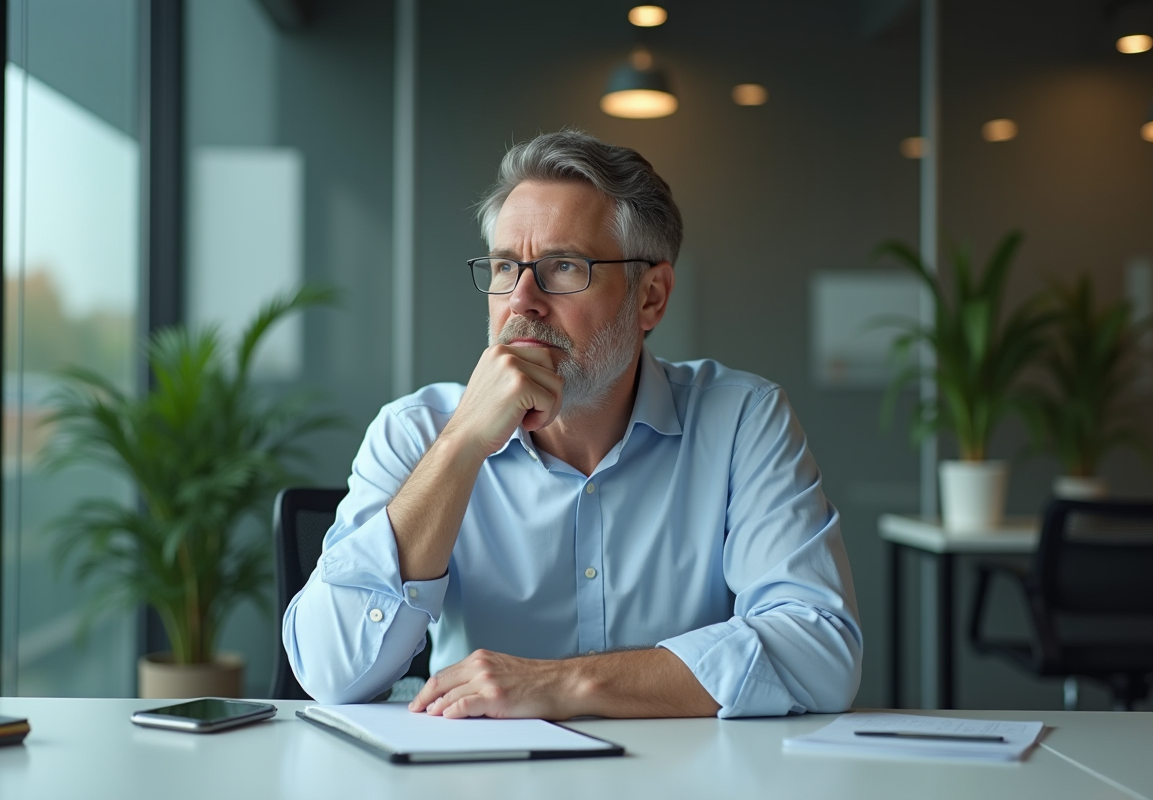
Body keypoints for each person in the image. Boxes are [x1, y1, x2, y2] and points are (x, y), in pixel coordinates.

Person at [282, 130, 862, 720]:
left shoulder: (742, 420)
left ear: (651, 298)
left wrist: (563, 684)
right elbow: (332, 674)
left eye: (563, 267)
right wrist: (460, 447)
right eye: (506, 267)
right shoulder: (416, 431)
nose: (522, 301)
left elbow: (819, 650)